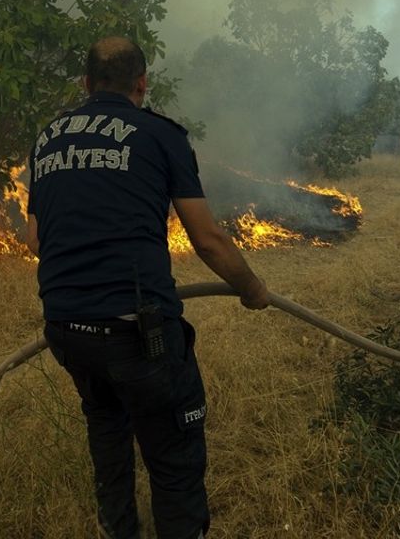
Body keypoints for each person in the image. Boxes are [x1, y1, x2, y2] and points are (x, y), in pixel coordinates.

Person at [24, 36, 270, 539]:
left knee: (107, 434)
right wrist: (251, 286)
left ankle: (119, 529)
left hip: (66, 329)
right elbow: (207, 239)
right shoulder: (160, 134)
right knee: (175, 457)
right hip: (137, 333)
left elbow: (35, 239)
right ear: (142, 84)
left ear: (85, 84)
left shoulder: (49, 138)